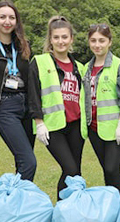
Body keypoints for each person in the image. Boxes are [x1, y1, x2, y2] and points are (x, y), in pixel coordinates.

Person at [28, 16, 87, 199]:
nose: (60, 41)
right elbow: (33, 94)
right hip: (52, 126)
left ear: (71, 39)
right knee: (68, 168)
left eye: (64, 37)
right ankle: (62, 208)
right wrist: (39, 123)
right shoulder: (39, 61)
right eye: (56, 37)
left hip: (76, 125)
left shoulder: (79, 67)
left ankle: (70, 210)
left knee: (75, 170)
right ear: (50, 39)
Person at [0, 0, 37, 181]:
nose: (7, 21)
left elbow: (31, 78)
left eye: (12, 17)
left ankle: (19, 203)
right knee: (29, 162)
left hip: (26, 105)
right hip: (4, 106)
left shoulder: (23, 44)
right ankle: (18, 199)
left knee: (22, 161)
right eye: (2, 17)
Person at [82, 23, 120, 198]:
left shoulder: (119, 66)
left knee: (112, 168)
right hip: (95, 128)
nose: (97, 45)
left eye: (102, 40)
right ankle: (114, 206)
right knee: (106, 171)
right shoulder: (86, 68)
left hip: (116, 129)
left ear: (109, 42)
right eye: (93, 40)